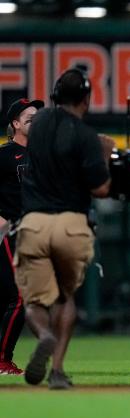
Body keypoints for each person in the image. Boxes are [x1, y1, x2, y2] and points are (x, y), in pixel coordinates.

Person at [15, 68, 115, 389]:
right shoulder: (86, 135)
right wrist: (104, 155)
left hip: (34, 221)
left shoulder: (39, 123)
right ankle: (57, 370)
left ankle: (43, 334)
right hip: (72, 223)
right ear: (86, 99)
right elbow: (100, 189)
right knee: (65, 297)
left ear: (56, 95)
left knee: (35, 301)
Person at [0, 98, 43, 375]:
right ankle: (2, 360)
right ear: (15, 123)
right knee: (19, 296)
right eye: (28, 116)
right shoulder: (4, 155)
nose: (33, 119)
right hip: (10, 230)